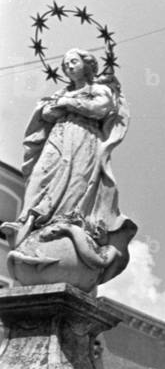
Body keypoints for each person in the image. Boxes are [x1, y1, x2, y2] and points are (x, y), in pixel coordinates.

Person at [2, 48, 136, 286]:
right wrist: (60, 104)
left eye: (73, 62)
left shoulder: (98, 89)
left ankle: (68, 220)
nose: (68, 67)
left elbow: (100, 108)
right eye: (65, 64)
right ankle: (31, 221)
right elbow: (46, 112)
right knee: (40, 179)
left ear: (87, 65)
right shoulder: (61, 92)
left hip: (83, 137)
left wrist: (65, 103)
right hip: (58, 137)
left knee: (77, 180)